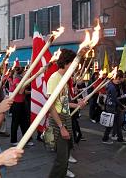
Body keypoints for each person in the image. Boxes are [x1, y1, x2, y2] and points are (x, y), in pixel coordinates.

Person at [47, 49, 85, 178]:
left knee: (66, 154)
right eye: (74, 63)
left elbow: (62, 102)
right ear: (67, 63)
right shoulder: (54, 78)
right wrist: (61, 127)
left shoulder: (63, 78)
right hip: (58, 120)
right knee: (62, 160)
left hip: (65, 117)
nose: (75, 67)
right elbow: (50, 106)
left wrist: (77, 104)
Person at [102, 71, 126, 144]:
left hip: (113, 107)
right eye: (121, 78)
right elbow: (114, 99)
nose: (122, 80)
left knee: (117, 124)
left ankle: (120, 138)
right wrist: (122, 106)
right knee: (110, 124)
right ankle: (105, 139)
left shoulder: (113, 85)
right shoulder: (112, 87)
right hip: (112, 107)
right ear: (118, 78)